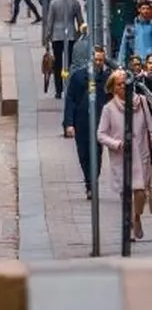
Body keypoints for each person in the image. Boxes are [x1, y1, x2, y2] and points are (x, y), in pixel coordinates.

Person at [97, 70, 152, 239]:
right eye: (119, 85)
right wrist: (117, 144)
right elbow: (101, 134)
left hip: (142, 154)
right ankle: (128, 225)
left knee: (141, 192)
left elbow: (150, 127)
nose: (123, 87)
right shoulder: (109, 109)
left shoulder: (141, 102)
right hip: (122, 157)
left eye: (125, 84)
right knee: (126, 194)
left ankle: (136, 217)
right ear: (113, 88)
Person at [64, 46, 111, 199]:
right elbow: (70, 100)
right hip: (82, 121)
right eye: (96, 60)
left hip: (99, 122)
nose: (98, 63)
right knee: (83, 153)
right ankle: (88, 181)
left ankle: (93, 181)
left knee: (96, 153)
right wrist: (69, 123)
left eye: (101, 60)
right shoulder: (78, 77)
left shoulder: (106, 79)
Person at [43, 0, 84, 99]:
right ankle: (71, 87)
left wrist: (47, 37)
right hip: (70, 35)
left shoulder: (54, 3)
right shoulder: (75, 3)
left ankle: (58, 90)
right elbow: (80, 21)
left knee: (57, 64)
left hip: (57, 37)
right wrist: (78, 34)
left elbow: (50, 22)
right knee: (71, 64)